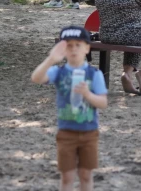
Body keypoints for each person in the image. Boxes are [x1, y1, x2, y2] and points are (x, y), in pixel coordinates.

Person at [31, 26, 108, 191]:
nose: (73, 49)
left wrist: (87, 94)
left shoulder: (94, 74)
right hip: (66, 133)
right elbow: (36, 78)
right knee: (67, 177)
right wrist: (51, 59)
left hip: (89, 132)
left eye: (78, 45)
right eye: (69, 45)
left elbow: (103, 103)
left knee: (86, 175)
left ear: (87, 48)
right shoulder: (58, 71)